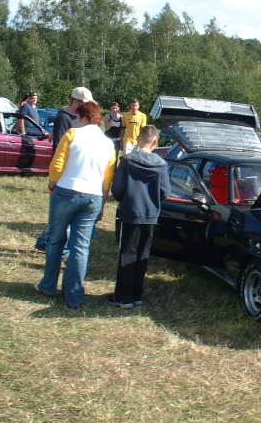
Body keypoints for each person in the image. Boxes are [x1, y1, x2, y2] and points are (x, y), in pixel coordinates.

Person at [35, 101, 116, 309]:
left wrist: (52, 183)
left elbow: (58, 163)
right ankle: (74, 296)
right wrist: (102, 203)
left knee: (55, 240)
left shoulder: (73, 134)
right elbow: (107, 179)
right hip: (93, 197)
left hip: (67, 191)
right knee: (81, 247)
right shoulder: (108, 144)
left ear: (83, 117)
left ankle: (48, 286)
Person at [107, 125, 170, 308]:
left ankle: (123, 297)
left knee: (127, 253)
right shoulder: (162, 164)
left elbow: (117, 189)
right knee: (143, 254)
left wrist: (124, 198)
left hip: (130, 212)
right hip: (150, 215)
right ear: (156, 141)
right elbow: (165, 192)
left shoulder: (128, 161)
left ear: (138, 139)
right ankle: (136, 295)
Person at [35, 87, 94, 252]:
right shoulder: (63, 117)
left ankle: (45, 240)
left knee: (62, 213)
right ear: (75, 101)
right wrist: (57, 174)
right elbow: (59, 147)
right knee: (61, 213)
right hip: (65, 171)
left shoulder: (79, 118)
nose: (85, 107)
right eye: (82, 103)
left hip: (77, 170)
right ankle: (50, 242)